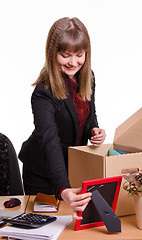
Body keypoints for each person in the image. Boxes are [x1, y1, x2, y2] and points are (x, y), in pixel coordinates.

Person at [18, 17, 106, 219]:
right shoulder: (43, 93)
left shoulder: (88, 77)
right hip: (42, 173)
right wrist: (63, 189)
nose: (73, 62)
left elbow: (88, 114)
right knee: (47, 226)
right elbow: (50, 142)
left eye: (79, 55)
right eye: (65, 55)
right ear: (52, 54)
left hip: (73, 168)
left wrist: (94, 129)